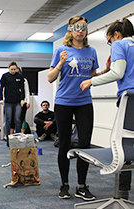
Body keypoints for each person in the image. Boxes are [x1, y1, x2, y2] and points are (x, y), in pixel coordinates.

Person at [80, 18, 134, 200]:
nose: (110, 44)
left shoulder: (120, 45)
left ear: (116, 35)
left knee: (124, 146)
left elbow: (118, 73)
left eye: (109, 40)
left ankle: (123, 193)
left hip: (129, 101)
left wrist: (91, 81)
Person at [48, 16, 99, 201]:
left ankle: (81, 186)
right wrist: (61, 62)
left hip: (84, 102)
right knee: (65, 143)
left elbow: (92, 75)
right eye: (77, 27)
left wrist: (106, 71)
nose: (80, 31)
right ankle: (64, 185)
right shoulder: (61, 50)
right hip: (64, 102)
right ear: (70, 30)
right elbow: (50, 77)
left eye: (83, 27)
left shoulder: (91, 51)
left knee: (85, 144)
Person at [0, 61, 25, 143]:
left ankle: (17, 136)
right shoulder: (5, 76)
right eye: (12, 69)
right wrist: (1, 99)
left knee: (17, 120)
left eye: (14, 69)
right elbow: (1, 88)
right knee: (8, 120)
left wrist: (22, 99)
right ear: (9, 68)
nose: (13, 71)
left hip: (17, 101)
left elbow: (22, 89)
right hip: (8, 102)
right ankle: (8, 137)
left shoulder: (20, 76)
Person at [10, 66, 31, 134]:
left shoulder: (24, 80)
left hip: (23, 102)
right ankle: (11, 134)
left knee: (21, 118)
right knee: (12, 119)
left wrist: (28, 102)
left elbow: (27, 91)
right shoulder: (11, 79)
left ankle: (22, 134)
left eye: (17, 71)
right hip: (13, 101)